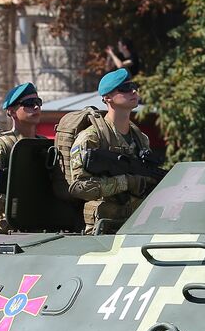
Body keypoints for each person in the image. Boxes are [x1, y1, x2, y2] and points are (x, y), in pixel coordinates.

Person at [67, 69, 157, 234]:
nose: (133, 91)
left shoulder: (140, 138)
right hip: (103, 228)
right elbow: (79, 188)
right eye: (125, 89)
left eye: (133, 86)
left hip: (136, 225)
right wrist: (126, 182)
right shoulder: (91, 137)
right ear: (107, 98)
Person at [0, 82, 43, 233]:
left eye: (38, 102)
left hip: (43, 223)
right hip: (9, 227)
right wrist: (20, 206)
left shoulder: (44, 144)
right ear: (12, 111)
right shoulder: (0, 146)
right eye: (29, 104)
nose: (36, 107)